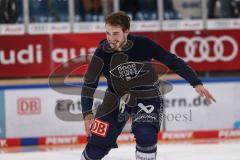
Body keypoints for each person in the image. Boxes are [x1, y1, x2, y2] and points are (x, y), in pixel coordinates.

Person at [80, 11, 216, 160]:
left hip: (147, 96)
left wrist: (196, 82)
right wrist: (87, 114)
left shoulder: (143, 44)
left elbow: (172, 61)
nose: (111, 39)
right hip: (115, 99)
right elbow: (89, 84)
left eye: (115, 34)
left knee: (146, 135)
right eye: (108, 33)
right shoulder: (101, 53)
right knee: (97, 144)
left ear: (126, 32)